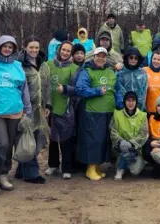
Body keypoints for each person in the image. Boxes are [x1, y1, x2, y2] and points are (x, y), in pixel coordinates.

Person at [0, 35, 32, 192]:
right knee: (2, 144)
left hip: (15, 111)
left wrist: (28, 110)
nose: (7, 49)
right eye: (4, 46)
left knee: (10, 146)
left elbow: (24, 89)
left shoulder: (18, 65)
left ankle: (4, 175)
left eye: (10, 47)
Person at [75, 47, 124, 180]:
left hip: (108, 112)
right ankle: (90, 168)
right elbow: (80, 89)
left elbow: (117, 90)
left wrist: (120, 104)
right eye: (98, 56)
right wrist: (96, 91)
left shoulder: (111, 72)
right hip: (92, 113)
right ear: (93, 57)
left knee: (103, 140)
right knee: (93, 141)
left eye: (103, 56)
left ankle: (97, 167)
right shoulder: (87, 71)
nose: (101, 58)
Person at [40, 41, 79, 179]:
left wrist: (66, 90)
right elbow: (43, 85)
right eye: (63, 50)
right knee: (53, 139)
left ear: (71, 53)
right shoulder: (49, 65)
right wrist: (45, 104)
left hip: (66, 109)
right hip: (50, 108)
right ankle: (53, 165)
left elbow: (77, 89)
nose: (65, 53)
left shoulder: (74, 68)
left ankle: (66, 167)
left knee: (66, 139)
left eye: (68, 51)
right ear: (59, 50)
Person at [14, 36, 47, 184]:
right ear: (25, 48)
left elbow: (47, 86)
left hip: (41, 108)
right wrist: (22, 108)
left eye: (36, 47)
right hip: (27, 108)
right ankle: (31, 173)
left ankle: (21, 170)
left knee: (39, 138)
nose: (34, 50)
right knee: (28, 140)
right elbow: (19, 88)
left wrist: (49, 105)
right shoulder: (20, 65)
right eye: (31, 47)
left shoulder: (43, 64)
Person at [110, 91, 149, 180]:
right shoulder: (117, 114)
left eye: (133, 100)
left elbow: (144, 134)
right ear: (124, 102)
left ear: (136, 102)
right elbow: (113, 132)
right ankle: (120, 168)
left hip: (136, 149)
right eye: (128, 100)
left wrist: (132, 144)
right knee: (124, 150)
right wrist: (121, 141)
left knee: (135, 171)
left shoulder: (142, 115)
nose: (130, 103)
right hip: (120, 147)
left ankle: (128, 163)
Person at [118, 47, 148, 111]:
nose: (133, 60)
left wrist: (138, 106)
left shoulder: (142, 72)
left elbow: (143, 91)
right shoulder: (121, 72)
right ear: (127, 58)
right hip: (123, 107)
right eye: (131, 57)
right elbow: (120, 89)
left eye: (136, 58)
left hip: (138, 107)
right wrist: (126, 104)